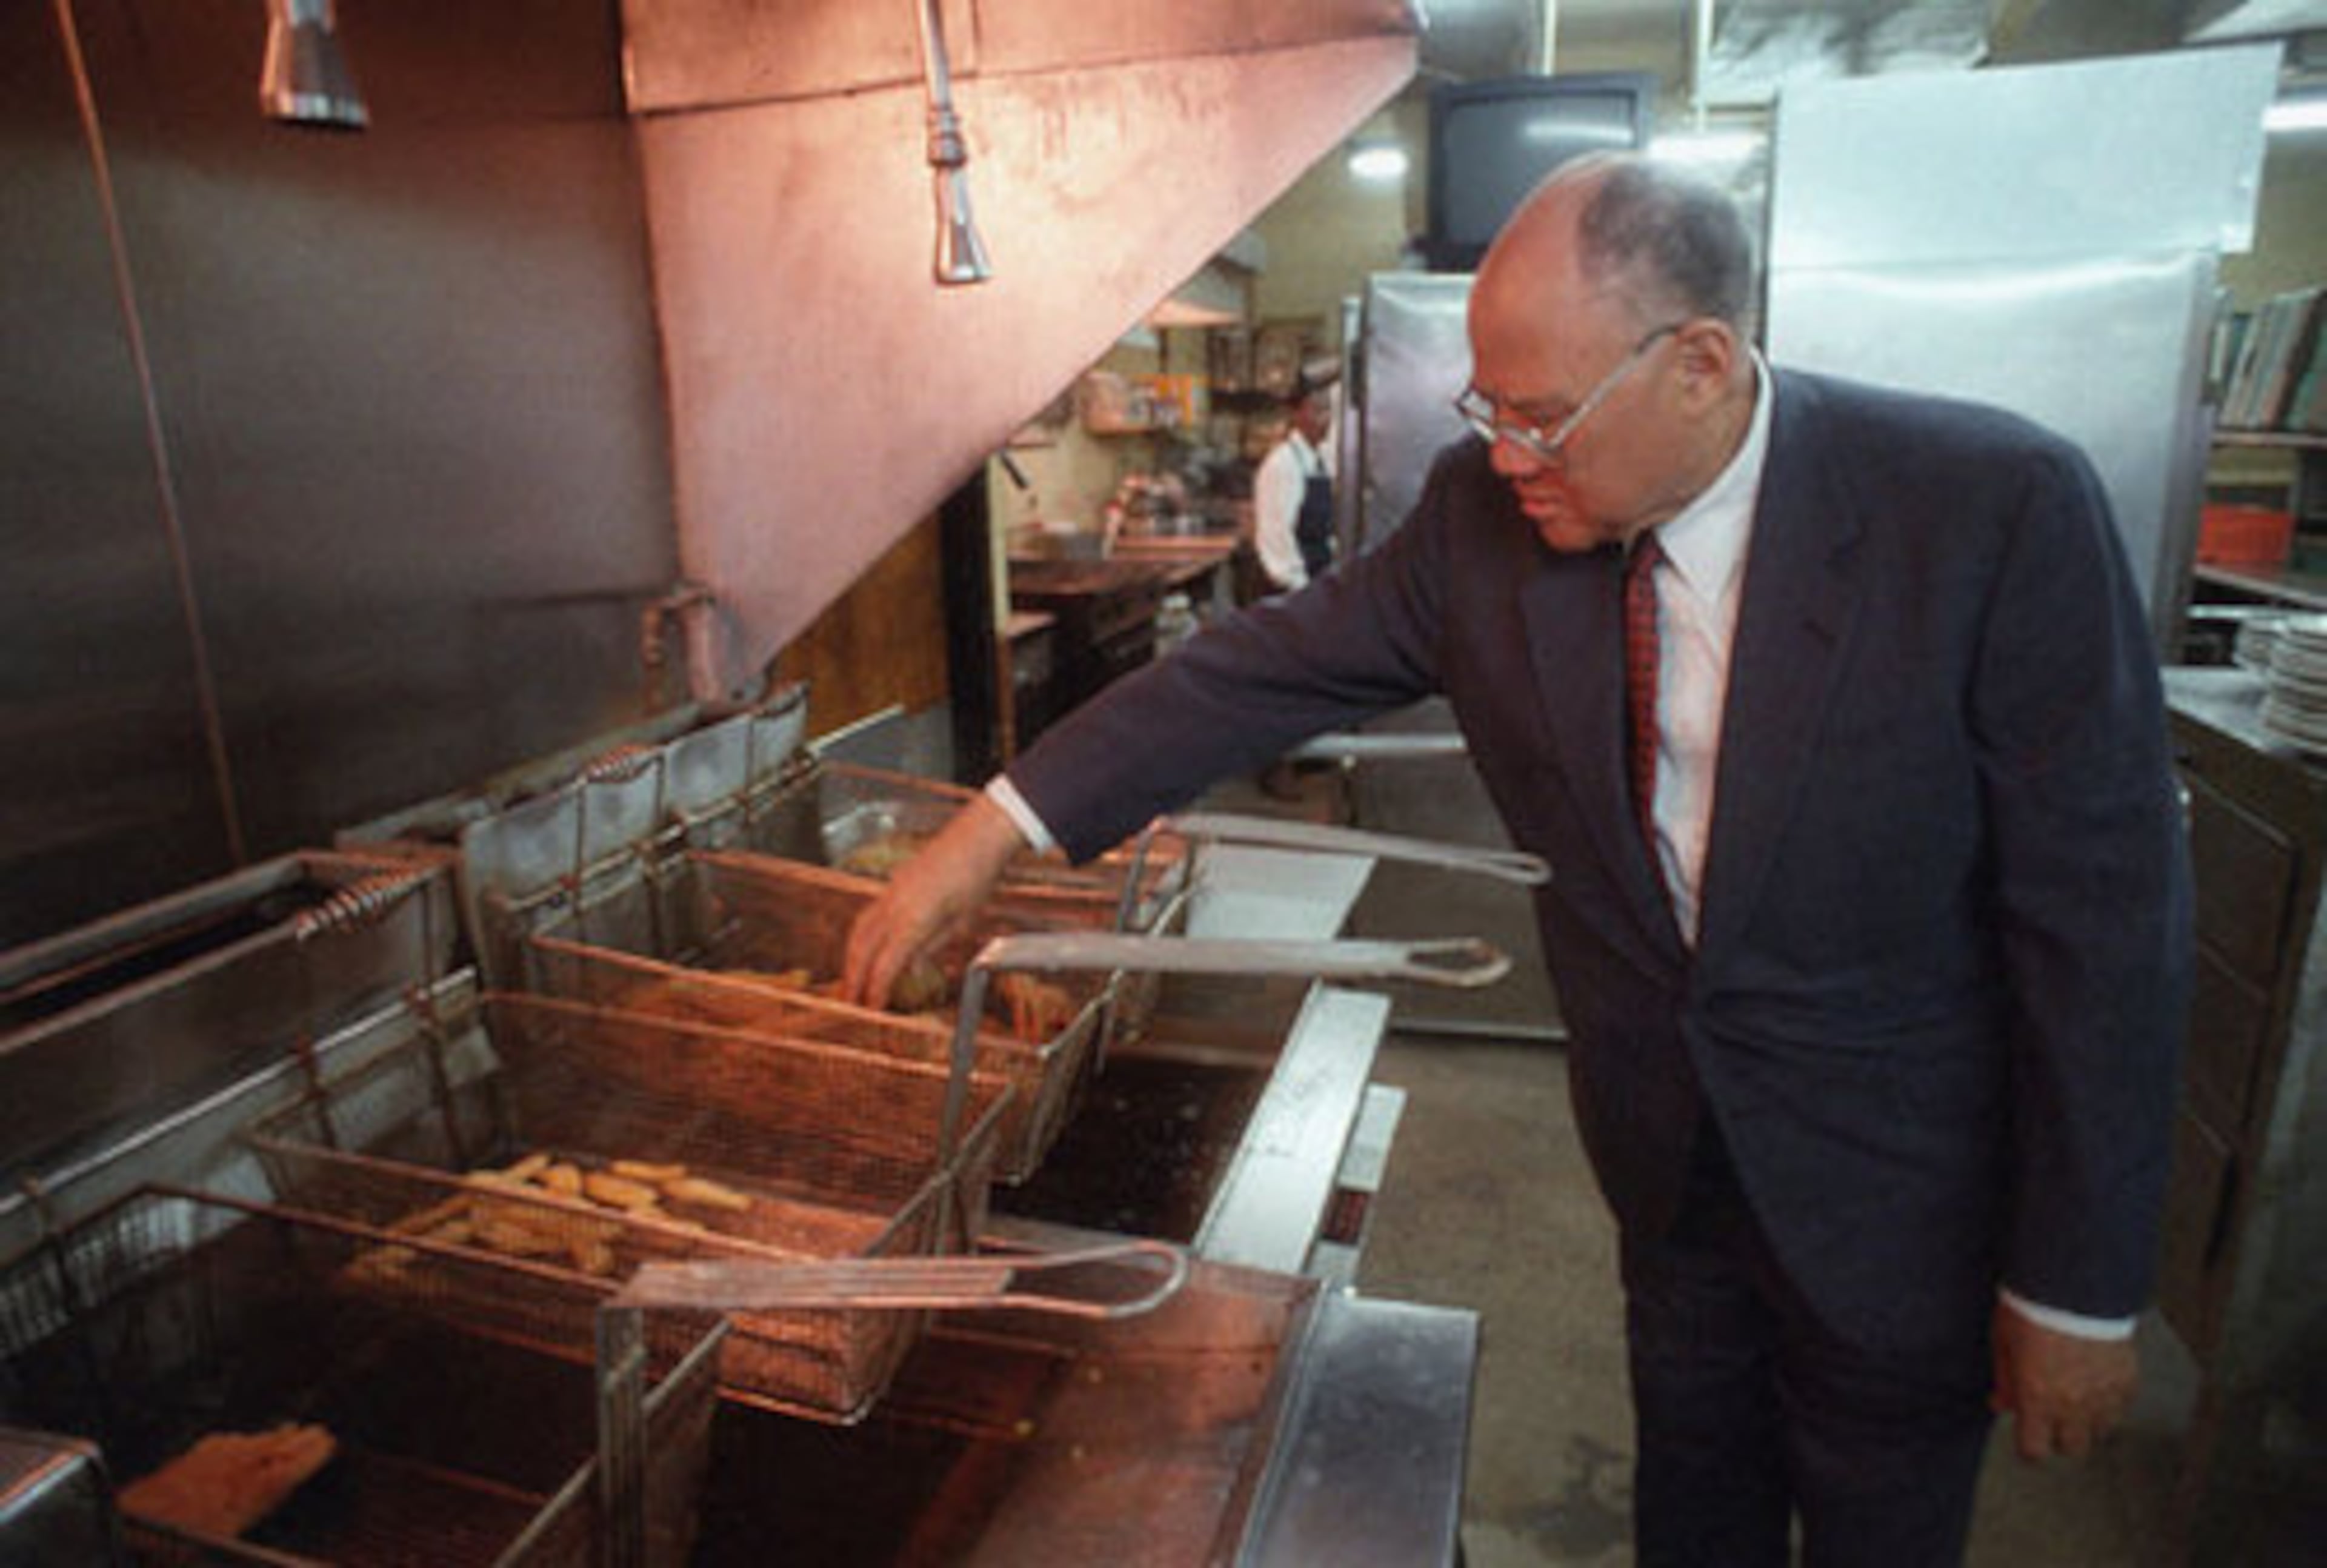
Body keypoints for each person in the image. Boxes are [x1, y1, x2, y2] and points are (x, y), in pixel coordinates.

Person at [844, 151, 2191, 1566]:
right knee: (1693, 1505)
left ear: (1698, 364)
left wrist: (2077, 1285)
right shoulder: (1482, 516)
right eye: (1489, 407)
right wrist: (990, 828)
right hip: (1664, 1168)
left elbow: (2100, 923)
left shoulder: (1986, 509)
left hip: (1895, 1197)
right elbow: (1248, 674)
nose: (1503, 451)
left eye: (1542, 415)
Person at [1250, 371, 1339, 594]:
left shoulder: (1317, 460)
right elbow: (1276, 536)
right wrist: (1299, 588)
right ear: (1296, 414)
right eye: (1317, 410)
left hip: (1317, 581)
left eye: (1328, 410)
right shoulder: (1282, 465)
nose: (1326, 419)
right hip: (1292, 592)